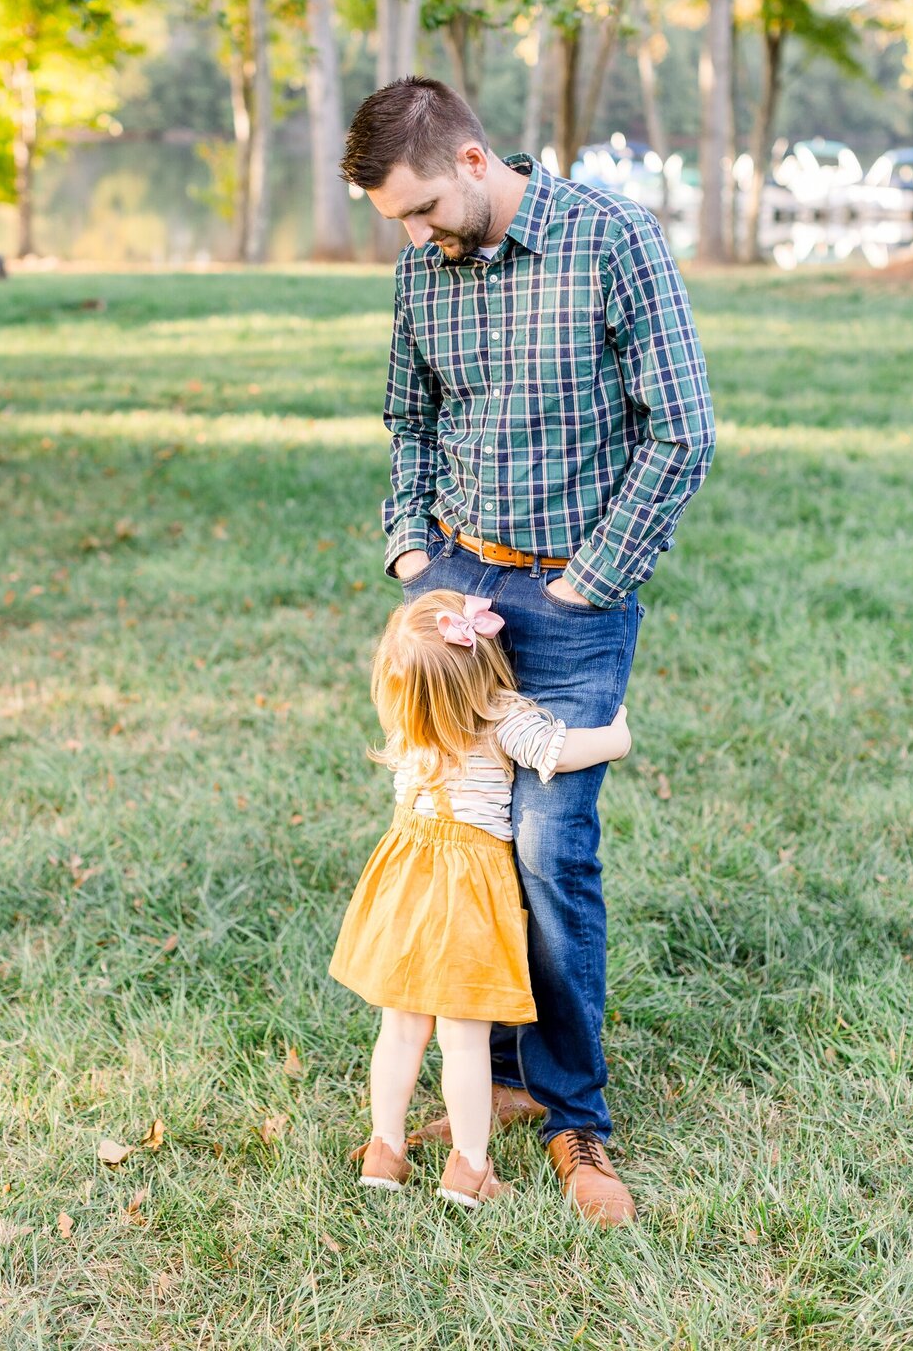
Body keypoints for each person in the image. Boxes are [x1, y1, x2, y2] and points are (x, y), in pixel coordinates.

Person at [339, 76, 716, 1225]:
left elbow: (682, 432)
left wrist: (587, 580)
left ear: (472, 160)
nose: (411, 238)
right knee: (456, 839)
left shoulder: (611, 241)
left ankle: (573, 1118)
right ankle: (485, 1078)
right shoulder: (423, 268)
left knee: (550, 860)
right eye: (394, 222)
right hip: (454, 579)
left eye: (419, 212)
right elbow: (410, 420)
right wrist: (415, 554)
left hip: (571, 591)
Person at [330, 589, 632, 1208]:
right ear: (486, 663)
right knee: (464, 1037)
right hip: (467, 889)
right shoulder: (502, 716)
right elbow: (560, 751)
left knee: (402, 1026)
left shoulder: (407, 722)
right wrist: (617, 737)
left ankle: (386, 1148)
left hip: (407, 877)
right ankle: (470, 1167)